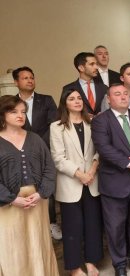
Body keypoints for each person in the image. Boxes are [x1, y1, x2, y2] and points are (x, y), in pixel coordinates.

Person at [91, 84, 130, 276]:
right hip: (115, 182)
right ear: (108, 99)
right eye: (117, 94)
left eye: (125, 94)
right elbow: (104, 148)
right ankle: (119, 264)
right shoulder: (101, 121)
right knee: (115, 226)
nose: (122, 97)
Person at [0, 95, 59, 275]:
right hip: (8, 205)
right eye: (14, 111)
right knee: (13, 247)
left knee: (38, 244)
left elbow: (49, 168)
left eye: (23, 112)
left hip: (36, 202)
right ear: (2, 115)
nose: (20, 115)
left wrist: (41, 194)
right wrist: (11, 199)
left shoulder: (35, 139)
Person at [50, 89, 103, 276]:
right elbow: (58, 158)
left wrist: (93, 170)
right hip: (71, 183)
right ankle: (74, 267)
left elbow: (100, 150)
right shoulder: (57, 126)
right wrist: (80, 175)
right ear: (65, 103)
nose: (77, 101)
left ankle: (91, 262)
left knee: (93, 225)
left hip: (92, 181)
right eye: (72, 99)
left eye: (79, 98)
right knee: (72, 228)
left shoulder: (93, 123)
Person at [12, 66, 62, 240]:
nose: (30, 80)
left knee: (47, 186)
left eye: (32, 77)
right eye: (25, 78)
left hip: (44, 149)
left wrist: (38, 144)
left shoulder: (46, 100)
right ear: (16, 82)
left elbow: (54, 124)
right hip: (18, 150)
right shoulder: (11, 103)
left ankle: (51, 223)